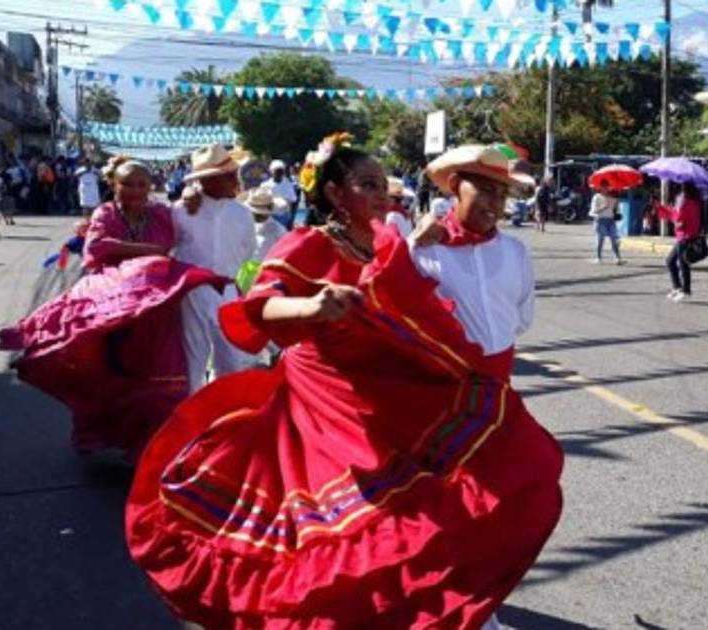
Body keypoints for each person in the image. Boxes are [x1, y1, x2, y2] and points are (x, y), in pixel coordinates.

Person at [125, 137, 562, 628]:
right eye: (368, 185)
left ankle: (465, 609)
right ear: (336, 193)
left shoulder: (393, 243)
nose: (381, 195)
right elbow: (262, 305)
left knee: (465, 487)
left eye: (383, 186)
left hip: (390, 394)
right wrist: (312, 306)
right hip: (326, 402)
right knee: (351, 528)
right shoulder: (310, 243)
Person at [0, 157, 224, 459]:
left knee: (159, 374)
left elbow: (178, 230)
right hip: (112, 305)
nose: (135, 190)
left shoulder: (160, 213)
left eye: (141, 184)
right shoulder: (106, 213)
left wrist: (189, 192)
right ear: (113, 185)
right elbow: (96, 248)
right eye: (127, 183)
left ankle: (148, 444)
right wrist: (147, 251)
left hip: (155, 307)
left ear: (151, 186)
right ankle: (104, 433)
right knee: (109, 372)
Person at [172, 144, 256, 392]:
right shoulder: (182, 211)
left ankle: (222, 407)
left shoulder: (242, 214)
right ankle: (192, 408)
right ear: (207, 181)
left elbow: (247, 250)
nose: (236, 182)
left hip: (227, 289)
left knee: (231, 359)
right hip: (193, 291)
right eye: (228, 177)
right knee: (193, 358)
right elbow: (170, 247)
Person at [658, 182, 703, 302]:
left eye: (682, 190)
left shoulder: (688, 204)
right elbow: (677, 217)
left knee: (684, 265)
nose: (680, 193)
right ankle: (677, 287)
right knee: (670, 261)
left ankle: (686, 291)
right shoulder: (692, 203)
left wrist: (672, 211)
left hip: (685, 237)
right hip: (682, 237)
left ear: (686, 191)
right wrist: (668, 209)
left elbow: (678, 219)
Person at [589, 183, 625, 264]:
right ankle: (598, 258)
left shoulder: (613, 197)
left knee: (614, 240)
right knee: (600, 240)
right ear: (600, 188)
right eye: (603, 187)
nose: (606, 188)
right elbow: (594, 211)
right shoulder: (597, 197)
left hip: (611, 220)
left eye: (607, 187)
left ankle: (617, 258)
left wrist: (616, 205)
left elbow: (616, 211)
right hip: (600, 220)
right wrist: (603, 207)